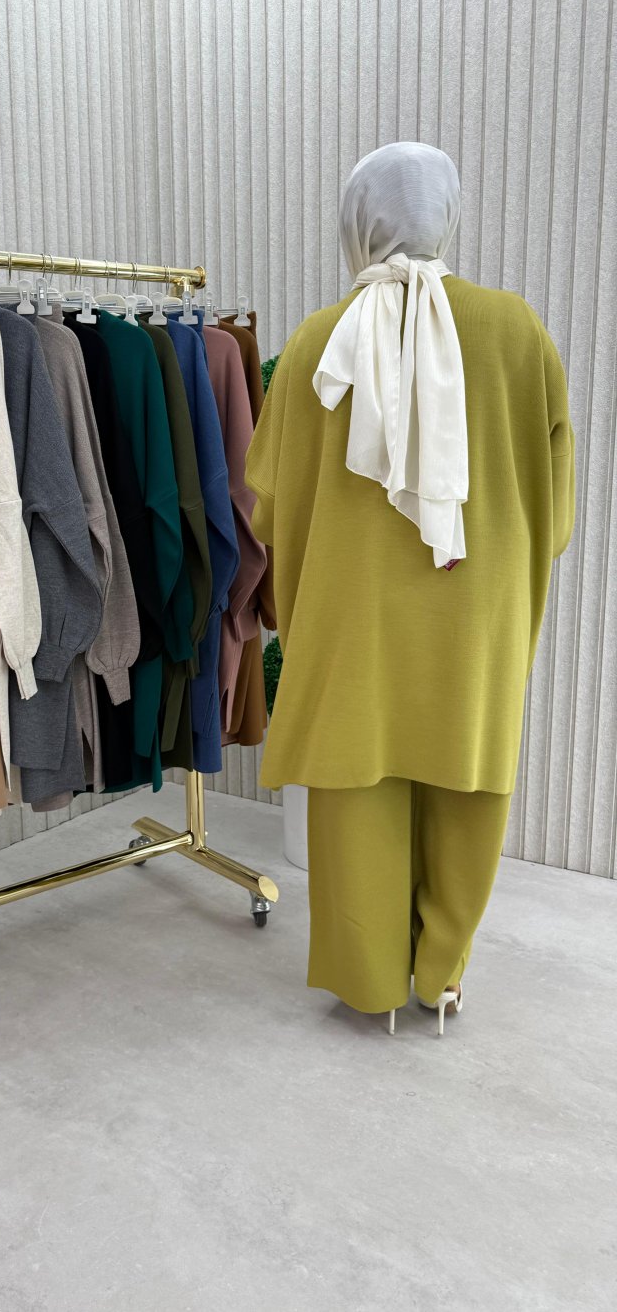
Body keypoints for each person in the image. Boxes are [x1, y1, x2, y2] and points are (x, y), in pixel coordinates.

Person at [245, 142, 575, 1034]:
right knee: (468, 777)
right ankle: (442, 976)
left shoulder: (317, 342)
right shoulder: (517, 330)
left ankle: (372, 982)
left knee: (357, 781)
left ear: (357, 222)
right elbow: (555, 505)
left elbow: (267, 505)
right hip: (476, 609)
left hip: (352, 617)